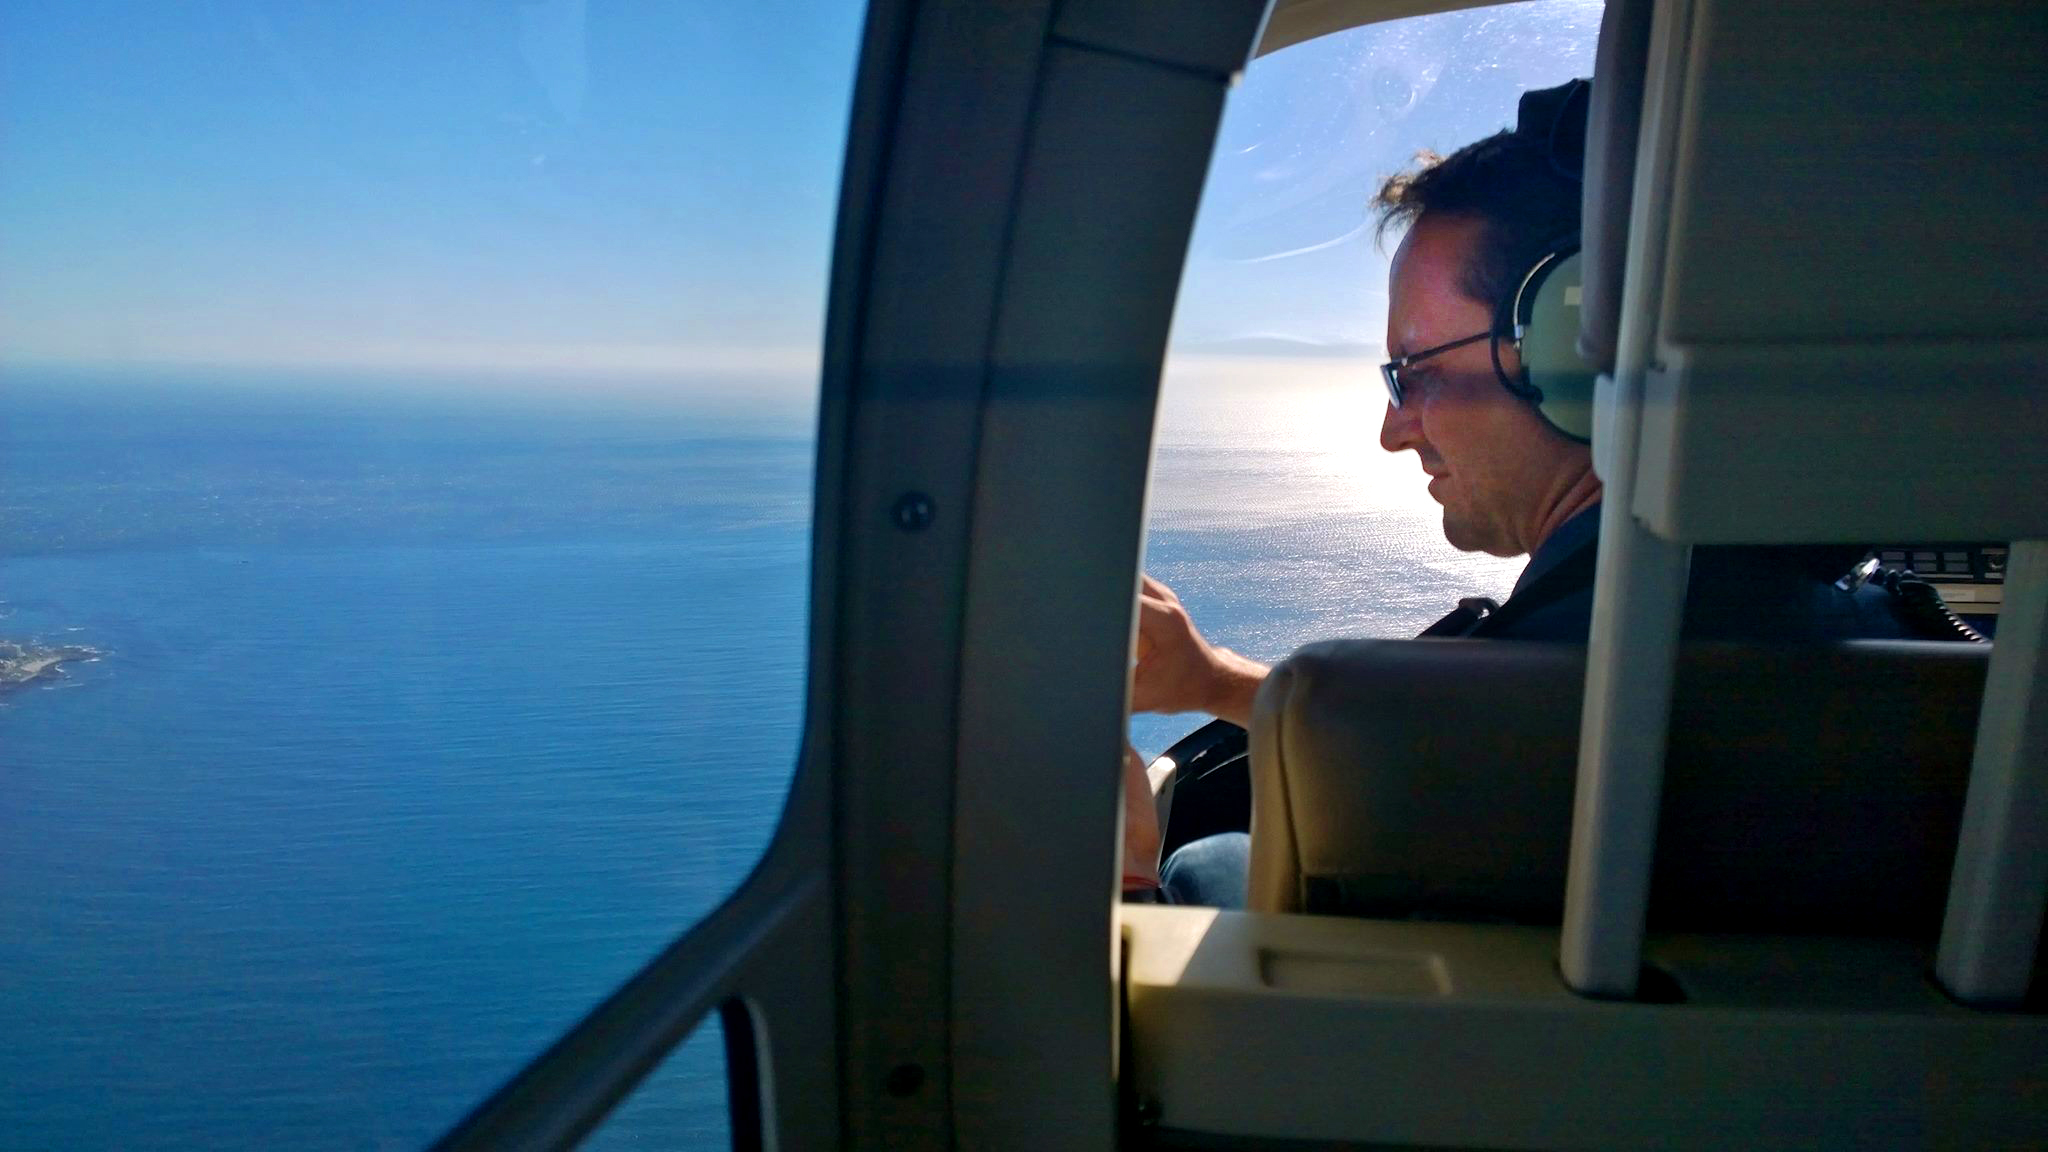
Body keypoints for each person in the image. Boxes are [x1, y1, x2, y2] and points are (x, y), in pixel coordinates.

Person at [1119, 80, 1913, 907]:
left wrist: (1132, 881)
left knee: (1209, 866)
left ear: (1571, 349)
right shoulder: (1905, 662)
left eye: (1415, 373)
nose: (1394, 432)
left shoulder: (1496, 763)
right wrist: (1214, 680)